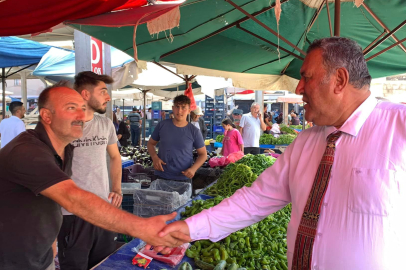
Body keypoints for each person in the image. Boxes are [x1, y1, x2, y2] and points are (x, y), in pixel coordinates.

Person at [157, 37, 406, 269]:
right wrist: (187, 228)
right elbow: (254, 200)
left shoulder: (399, 127)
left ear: (339, 80)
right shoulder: (306, 142)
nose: (299, 88)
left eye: (307, 77)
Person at [0, 83, 190, 270]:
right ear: (47, 116)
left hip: (40, 256)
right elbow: (71, 197)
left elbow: (48, 201)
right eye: (71, 108)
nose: (82, 116)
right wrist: (140, 227)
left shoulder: (65, 150)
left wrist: (51, 239)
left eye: (83, 108)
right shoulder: (27, 151)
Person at [56, 72, 120, 270]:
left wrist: (116, 189)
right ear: (85, 94)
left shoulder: (105, 124)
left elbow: (115, 157)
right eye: (102, 92)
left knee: (103, 264)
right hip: (72, 214)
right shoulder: (63, 126)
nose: (107, 97)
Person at [147, 95, 207, 181]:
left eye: (183, 108)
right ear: (172, 108)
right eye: (177, 107)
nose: (179, 111)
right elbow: (150, 144)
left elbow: (203, 154)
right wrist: (155, 158)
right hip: (161, 175)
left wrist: (193, 169)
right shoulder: (162, 125)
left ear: (189, 111)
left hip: (183, 177)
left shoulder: (194, 131)